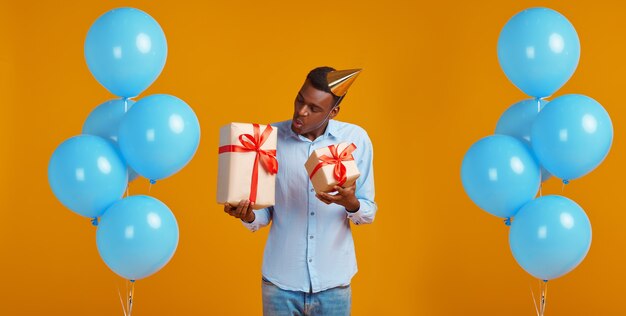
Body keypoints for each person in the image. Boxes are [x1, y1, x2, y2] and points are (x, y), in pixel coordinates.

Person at [224, 66, 377, 316]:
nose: (300, 112)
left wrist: (351, 203)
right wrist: (248, 215)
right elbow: (266, 213)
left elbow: (368, 210)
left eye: (314, 108)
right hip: (280, 284)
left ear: (333, 112)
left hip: (333, 284)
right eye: (299, 100)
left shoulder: (355, 140)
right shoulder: (268, 140)